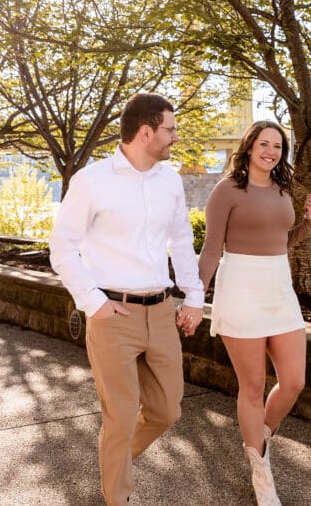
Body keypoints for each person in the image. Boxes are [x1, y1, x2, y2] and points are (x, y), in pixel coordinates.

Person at [49, 93, 205, 506]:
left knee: (168, 410)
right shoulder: (92, 180)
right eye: (170, 129)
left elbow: (182, 241)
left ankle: (113, 460)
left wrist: (194, 296)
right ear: (146, 131)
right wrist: (93, 301)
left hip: (161, 311)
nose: (174, 137)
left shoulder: (169, 179)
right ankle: (118, 494)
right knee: (119, 416)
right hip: (112, 313)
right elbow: (62, 248)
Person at [198, 120, 311, 506]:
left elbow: (283, 242)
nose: (271, 151)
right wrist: (193, 298)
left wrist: (309, 224)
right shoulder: (226, 191)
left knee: (294, 381)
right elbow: (211, 249)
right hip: (240, 290)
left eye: (278, 147)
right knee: (252, 387)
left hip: (279, 290)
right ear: (249, 147)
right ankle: (260, 470)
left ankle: (259, 437)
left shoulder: (284, 190)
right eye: (264, 144)